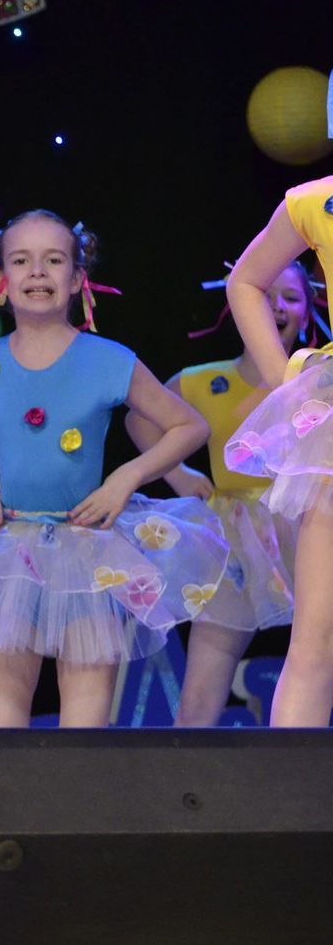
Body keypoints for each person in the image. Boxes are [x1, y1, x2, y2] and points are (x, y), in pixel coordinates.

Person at [0, 210, 228, 727]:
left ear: (78, 278)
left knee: (84, 730)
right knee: (2, 722)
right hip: (9, 553)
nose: (37, 271)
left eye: (54, 260)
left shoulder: (109, 360)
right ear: (0, 280)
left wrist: (126, 478)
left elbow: (188, 426)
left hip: (87, 549)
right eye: (21, 261)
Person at [125, 264, 310, 724]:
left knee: (317, 651)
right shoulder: (204, 381)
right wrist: (178, 474)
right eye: (265, 294)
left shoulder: (317, 382)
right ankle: (190, 760)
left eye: (291, 297)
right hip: (235, 538)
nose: (276, 306)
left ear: (307, 314)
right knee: (207, 671)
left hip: (307, 526)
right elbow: (141, 419)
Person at [225, 177, 333, 725]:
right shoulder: (318, 201)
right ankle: (295, 785)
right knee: (318, 638)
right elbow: (245, 281)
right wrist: (288, 383)